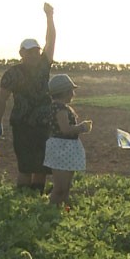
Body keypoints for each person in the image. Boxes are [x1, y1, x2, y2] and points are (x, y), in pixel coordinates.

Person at [0, 2, 56, 194]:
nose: (34, 54)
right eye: (29, 52)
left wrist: (49, 17)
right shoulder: (11, 74)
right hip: (22, 123)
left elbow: (51, 40)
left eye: (36, 51)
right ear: (21, 54)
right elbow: (2, 99)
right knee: (26, 166)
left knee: (43, 166)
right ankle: (23, 199)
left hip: (44, 122)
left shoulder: (44, 66)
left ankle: (36, 198)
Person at [43, 74, 92, 207]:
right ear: (64, 92)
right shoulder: (60, 109)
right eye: (71, 91)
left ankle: (63, 211)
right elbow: (65, 129)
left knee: (66, 187)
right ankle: (50, 211)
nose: (73, 94)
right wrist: (82, 127)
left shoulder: (60, 108)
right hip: (61, 148)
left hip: (65, 148)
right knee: (60, 188)